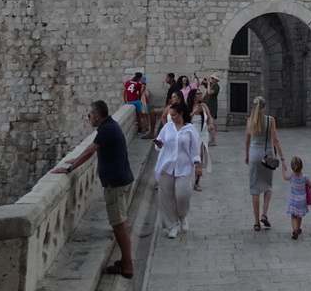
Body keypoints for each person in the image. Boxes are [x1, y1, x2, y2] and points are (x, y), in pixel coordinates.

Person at [52, 100, 135, 278]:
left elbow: (90, 151)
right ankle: (124, 261)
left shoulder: (106, 129)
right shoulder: (111, 125)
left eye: (89, 115)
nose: (88, 118)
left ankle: (127, 266)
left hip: (116, 184)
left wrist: (69, 168)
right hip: (123, 179)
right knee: (120, 224)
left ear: (97, 115)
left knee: (119, 226)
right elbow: (92, 150)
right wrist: (74, 160)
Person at [153, 102, 203, 238]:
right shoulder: (167, 128)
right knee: (167, 198)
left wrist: (197, 163)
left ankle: (182, 216)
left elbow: (194, 148)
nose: (172, 118)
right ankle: (171, 226)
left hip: (184, 167)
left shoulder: (190, 129)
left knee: (182, 195)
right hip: (167, 166)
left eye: (174, 115)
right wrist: (159, 143)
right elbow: (160, 142)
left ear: (181, 114)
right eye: (171, 115)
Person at [244, 95, 285, 231]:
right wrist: (283, 159)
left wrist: (246, 155)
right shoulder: (270, 120)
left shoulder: (250, 120)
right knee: (268, 185)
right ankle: (264, 214)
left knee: (255, 189)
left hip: (254, 154)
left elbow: (247, 140)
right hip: (268, 155)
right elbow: (276, 140)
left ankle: (256, 222)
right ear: (264, 107)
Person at [186, 87, 214, 190]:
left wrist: (210, 124)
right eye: (198, 93)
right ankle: (187, 177)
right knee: (191, 156)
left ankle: (197, 181)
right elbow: (185, 119)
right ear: (193, 96)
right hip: (193, 133)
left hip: (203, 133)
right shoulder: (188, 107)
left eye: (200, 93)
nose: (200, 94)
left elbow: (209, 116)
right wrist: (194, 112)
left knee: (201, 154)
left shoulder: (204, 106)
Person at [282, 156, 311, 239]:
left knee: (293, 216)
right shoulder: (305, 177)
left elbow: (285, 177)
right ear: (302, 166)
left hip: (293, 200)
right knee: (299, 216)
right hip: (302, 200)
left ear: (292, 167)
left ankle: (294, 230)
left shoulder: (291, 177)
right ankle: (298, 228)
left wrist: (283, 170)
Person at [204, 73, 222, 141]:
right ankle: (210, 139)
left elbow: (209, 92)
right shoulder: (212, 85)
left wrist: (208, 83)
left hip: (212, 106)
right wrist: (205, 81)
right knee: (207, 123)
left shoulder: (217, 86)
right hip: (207, 104)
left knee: (211, 123)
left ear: (216, 80)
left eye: (213, 78)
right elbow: (202, 83)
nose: (211, 79)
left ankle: (213, 140)